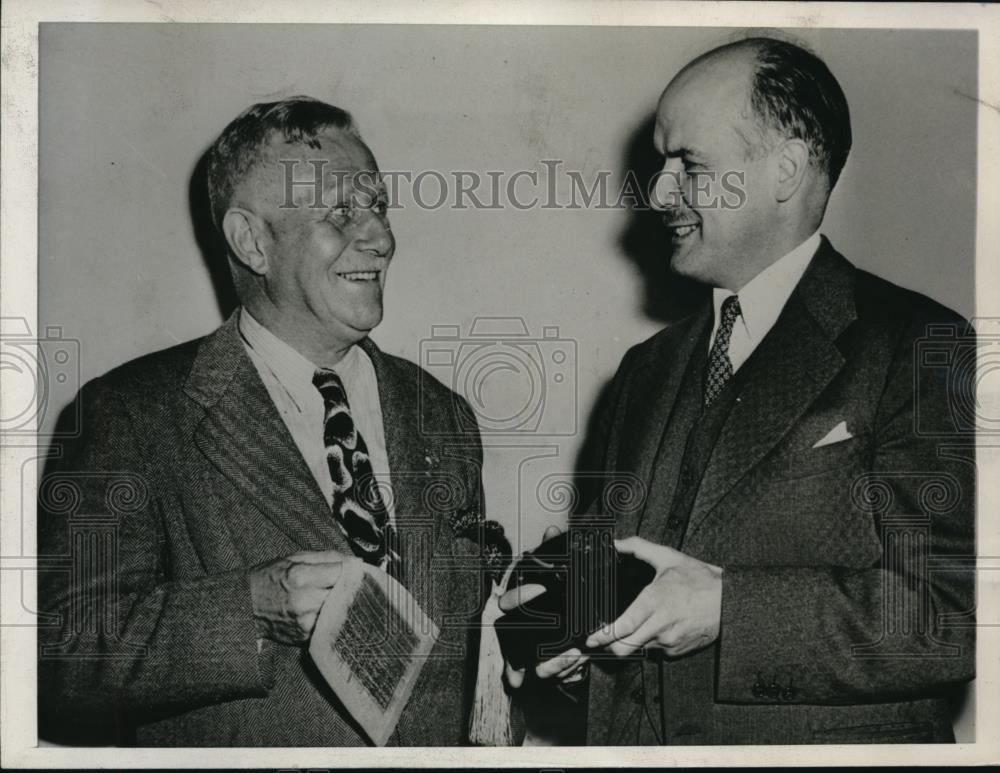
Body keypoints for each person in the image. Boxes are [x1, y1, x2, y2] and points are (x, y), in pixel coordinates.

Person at [504, 36, 976, 744]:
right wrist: (574, 634)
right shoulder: (644, 370)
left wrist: (731, 607)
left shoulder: (918, 345)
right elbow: (631, 598)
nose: (659, 193)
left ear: (784, 170)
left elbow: (949, 615)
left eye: (688, 165)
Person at [37, 97, 503, 746]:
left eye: (379, 207)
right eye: (341, 212)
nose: (381, 236)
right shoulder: (131, 415)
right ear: (251, 241)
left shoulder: (442, 412)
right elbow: (59, 659)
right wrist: (250, 606)